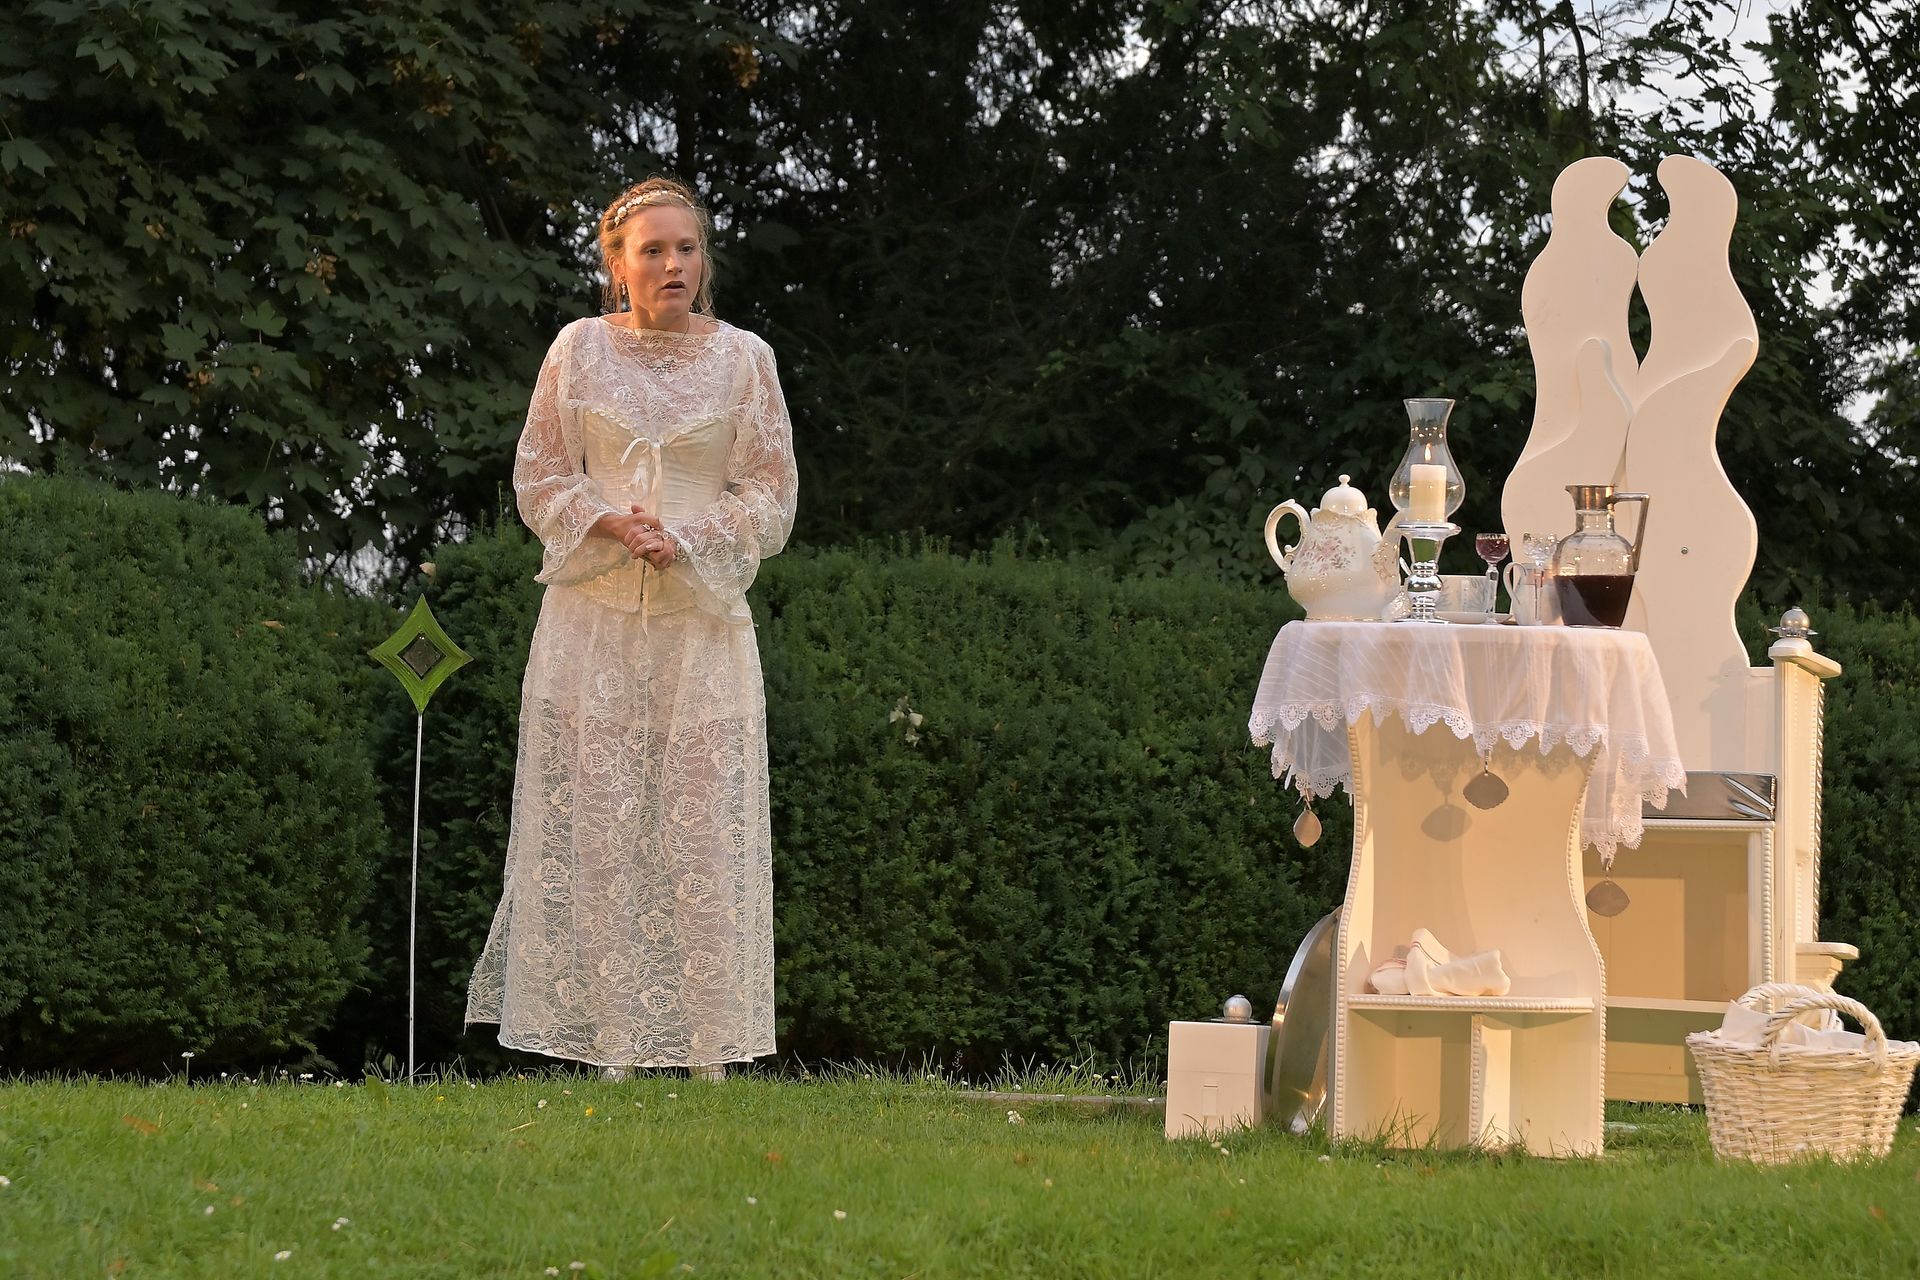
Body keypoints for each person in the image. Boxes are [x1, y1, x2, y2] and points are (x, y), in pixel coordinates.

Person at [465, 176, 797, 1081]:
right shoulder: (577, 350)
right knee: (600, 827)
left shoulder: (745, 361)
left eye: (686, 248)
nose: (672, 265)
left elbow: (771, 495)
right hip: (592, 621)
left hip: (702, 622)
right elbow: (537, 476)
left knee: (703, 827)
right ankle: (608, 1044)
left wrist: (689, 537)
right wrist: (609, 522)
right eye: (652, 250)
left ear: (705, 260)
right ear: (617, 265)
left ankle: (710, 1051)